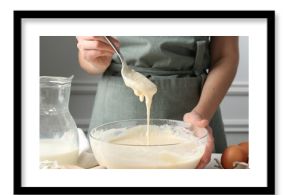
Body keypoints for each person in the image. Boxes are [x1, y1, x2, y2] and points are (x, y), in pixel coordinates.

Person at [76, 36, 239, 168]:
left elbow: (225, 55)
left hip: (197, 105)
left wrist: (201, 114)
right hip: (116, 104)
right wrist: (94, 58)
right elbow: (88, 63)